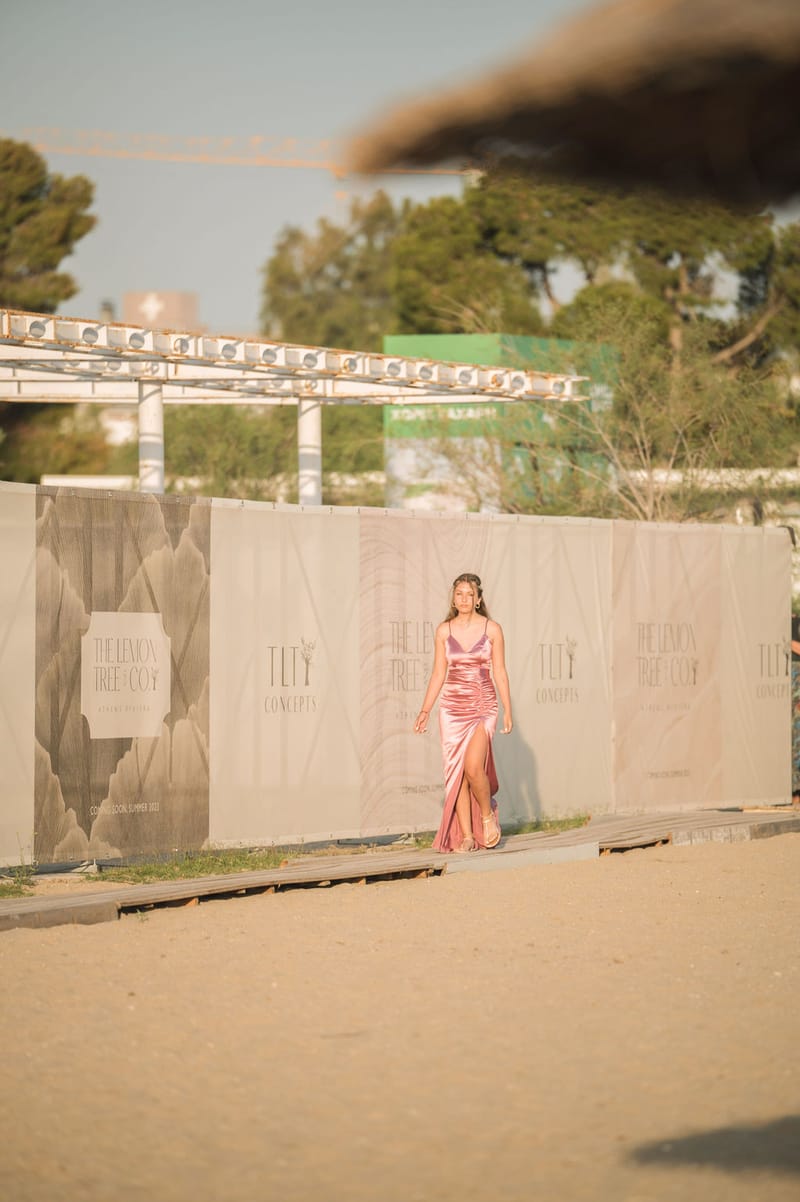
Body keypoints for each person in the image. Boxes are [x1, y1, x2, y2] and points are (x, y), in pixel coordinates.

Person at [413, 572, 513, 853]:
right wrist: (425, 710)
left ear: (479, 599)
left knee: (472, 767)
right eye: (459, 594)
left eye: (470, 594)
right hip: (452, 709)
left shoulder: (492, 629)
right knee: (457, 772)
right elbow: (437, 674)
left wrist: (507, 709)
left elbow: (500, 672)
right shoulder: (444, 630)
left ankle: (486, 816)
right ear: (453, 599)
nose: (465, 599)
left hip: (483, 706)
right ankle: (468, 835)